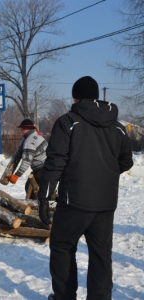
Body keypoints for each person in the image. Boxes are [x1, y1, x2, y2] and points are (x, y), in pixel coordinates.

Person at [37, 76, 133, 300]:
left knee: (62, 246)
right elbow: (126, 161)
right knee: (101, 253)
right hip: (106, 203)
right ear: (96, 97)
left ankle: (64, 296)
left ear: (75, 97)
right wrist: (103, 174)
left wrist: (44, 197)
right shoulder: (118, 127)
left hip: (75, 201)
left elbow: (55, 162)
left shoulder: (68, 122)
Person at [7, 119, 47, 199]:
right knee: (40, 188)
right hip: (47, 166)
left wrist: (16, 175)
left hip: (41, 169)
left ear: (27, 129)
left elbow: (26, 162)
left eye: (22, 129)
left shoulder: (29, 142)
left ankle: (36, 207)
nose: (21, 131)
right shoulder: (37, 136)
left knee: (32, 189)